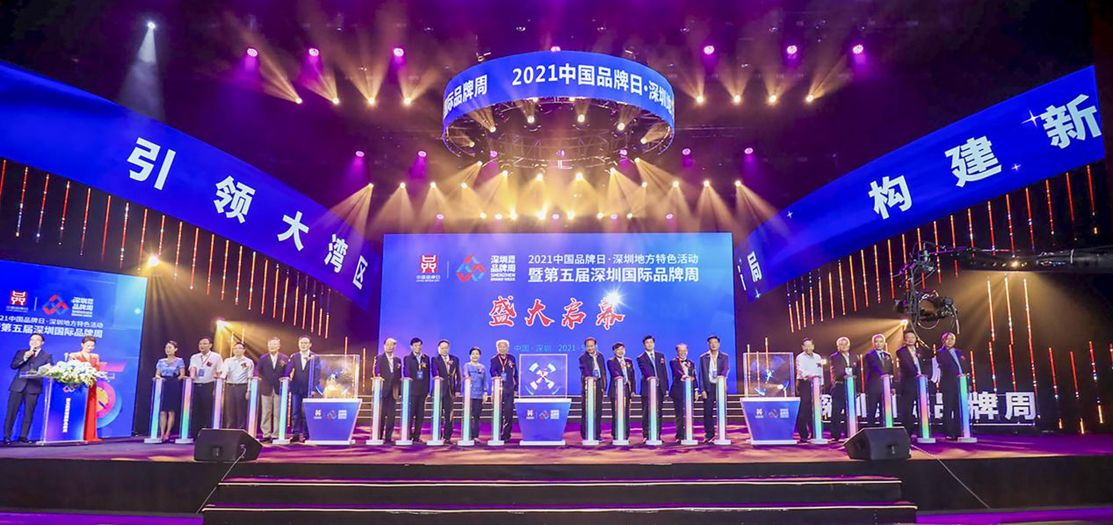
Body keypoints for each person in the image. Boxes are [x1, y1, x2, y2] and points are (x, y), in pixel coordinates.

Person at [4, 333, 53, 444]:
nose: (34, 342)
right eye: (32, 339)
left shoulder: (47, 355)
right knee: (11, 412)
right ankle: (7, 436)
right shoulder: (21, 352)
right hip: (18, 386)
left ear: (42, 343)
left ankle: (23, 436)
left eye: (37, 340)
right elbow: (13, 366)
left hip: (34, 387)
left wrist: (46, 369)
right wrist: (25, 357)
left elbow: (50, 369)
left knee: (28, 413)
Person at [937, 332, 970, 441]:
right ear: (943, 341)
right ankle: (948, 432)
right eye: (948, 339)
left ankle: (958, 432)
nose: (950, 341)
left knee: (958, 408)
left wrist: (966, 378)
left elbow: (965, 366)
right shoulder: (940, 353)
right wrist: (957, 374)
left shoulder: (959, 352)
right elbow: (947, 366)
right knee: (948, 408)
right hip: (949, 384)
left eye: (952, 339)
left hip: (961, 383)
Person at [68, 335, 102, 442]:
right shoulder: (74, 355)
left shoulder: (95, 356)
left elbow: (97, 370)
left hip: (91, 385)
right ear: (82, 344)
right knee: (78, 408)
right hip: (78, 386)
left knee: (90, 408)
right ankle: (75, 434)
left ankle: (89, 435)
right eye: (88, 345)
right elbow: (70, 370)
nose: (90, 348)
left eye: (92, 346)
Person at [636, 335, 669, 441]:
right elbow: (646, 371)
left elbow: (664, 372)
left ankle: (657, 435)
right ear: (644, 345)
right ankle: (646, 435)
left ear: (654, 344)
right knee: (646, 412)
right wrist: (652, 379)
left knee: (658, 412)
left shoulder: (660, 356)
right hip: (648, 389)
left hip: (660, 388)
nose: (649, 344)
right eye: (647, 343)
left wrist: (666, 387)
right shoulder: (641, 358)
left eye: (651, 342)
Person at [188, 337, 222, 438]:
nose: (202, 346)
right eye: (200, 344)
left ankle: (208, 434)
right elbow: (192, 368)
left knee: (208, 410)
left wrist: (217, 376)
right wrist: (191, 376)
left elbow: (220, 370)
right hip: (196, 385)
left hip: (209, 385)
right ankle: (195, 434)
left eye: (204, 344)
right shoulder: (194, 357)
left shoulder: (216, 357)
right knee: (196, 410)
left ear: (210, 345)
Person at [257, 337, 289, 442]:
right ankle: (266, 434)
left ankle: (276, 434)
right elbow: (257, 371)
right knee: (266, 412)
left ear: (279, 346)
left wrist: (285, 379)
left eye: (275, 344)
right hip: (266, 388)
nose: (272, 346)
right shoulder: (263, 358)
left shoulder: (284, 358)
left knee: (278, 412)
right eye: (270, 344)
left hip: (279, 388)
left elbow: (287, 372)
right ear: (268, 345)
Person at [699, 335, 730, 444]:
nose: (713, 344)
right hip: (708, 387)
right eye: (711, 343)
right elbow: (701, 374)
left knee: (721, 411)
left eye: (715, 342)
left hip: (719, 386)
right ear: (708, 344)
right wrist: (702, 390)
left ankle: (722, 434)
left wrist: (722, 380)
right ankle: (709, 434)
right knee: (707, 412)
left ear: (719, 344)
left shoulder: (724, 356)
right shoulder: (703, 357)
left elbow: (725, 369)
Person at [896, 329, 926, 438]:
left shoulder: (920, 350)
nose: (910, 339)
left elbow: (925, 364)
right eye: (908, 337)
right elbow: (907, 365)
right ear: (904, 339)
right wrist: (917, 374)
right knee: (907, 409)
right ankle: (908, 432)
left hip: (921, 383)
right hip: (909, 382)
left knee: (921, 408)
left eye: (912, 337)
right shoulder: (901, 351)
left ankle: (922, 430)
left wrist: (924, 375)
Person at [286, 335, 316, 442]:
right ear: (298, 344)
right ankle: (295, 434)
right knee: (295, 412)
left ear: (310, 345)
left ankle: (307, 434)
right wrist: (286, 378)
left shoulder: (314, 357)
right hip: (296, 388)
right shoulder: (294, 356)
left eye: (305, 343)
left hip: (309, 388)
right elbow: (288, 369)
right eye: (301, 343)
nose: (303, 345)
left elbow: (317, 373)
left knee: (306, 412)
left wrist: (314, 388)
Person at [828, 336, 858, 442]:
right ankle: (835, 434)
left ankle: (849, 432)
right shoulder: (834, 357)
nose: (844, 346)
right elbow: (836, 372)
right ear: (838, 346)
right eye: (841, 344)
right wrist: (845, 375)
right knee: (836, 412)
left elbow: (857, 371)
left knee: (849, 412)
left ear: (849, 345)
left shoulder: (854, 356)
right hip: (839, 386)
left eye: (846, 344)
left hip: (851, 387)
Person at [154, 341, 185, 442]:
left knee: (171, 411)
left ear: (175, 349)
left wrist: (175, 381)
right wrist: (159, 378)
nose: (168, 350)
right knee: (162, 411)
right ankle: (162, 433)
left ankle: (168, 433)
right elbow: (157, 374)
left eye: (170, 348)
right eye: (166, 348)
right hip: (163, 384)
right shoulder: (161, 361)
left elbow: (182, 374)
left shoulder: (179, 361)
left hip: (173, 384)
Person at [219, 341, 254, 430]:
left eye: (239, 348)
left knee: (241, 410)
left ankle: (241, 430)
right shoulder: (228, 360)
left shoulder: (248, 362)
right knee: (229, 410)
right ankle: (229, 429)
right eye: (235, 348)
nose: (237, 350)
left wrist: (249, 390)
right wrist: (221, 377)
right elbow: (224, 372)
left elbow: (250, 377)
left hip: (242, 387)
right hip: (230, 386)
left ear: (244, 350)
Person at [430, 339, 460, 443]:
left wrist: (457, 389)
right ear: (438, 349)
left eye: (446, 348)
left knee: (449, 414)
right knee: (437, 413)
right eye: (442, 348)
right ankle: (436, 435)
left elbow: (458, 375)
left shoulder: (455, 359)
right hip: (439, 390)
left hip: (450, 391)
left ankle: (447, 436)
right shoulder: (435, 359)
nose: (444, 350)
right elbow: (434, 372)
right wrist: (437, 377)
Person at [795, 337, 824, 443]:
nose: (808, 348)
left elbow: (820, 371)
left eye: (810, 345)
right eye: (805, 346)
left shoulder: (817, 357)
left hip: (816, 384)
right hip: (804, 384)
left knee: (814, 409)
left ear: (813, 346)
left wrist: (821, 383)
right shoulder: (800, 357)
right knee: (804, 409)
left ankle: (815, 433)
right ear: (802, 347)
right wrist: (813, 375)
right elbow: (801, 371)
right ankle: (803, 434)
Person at [577, 337, 606, 442]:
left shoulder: (600, 356)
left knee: (598, 410)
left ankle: (597, 434)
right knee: (586, 410)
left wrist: (604, 386)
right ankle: (586, 434)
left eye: (592, 346)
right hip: (588, 386)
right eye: (588, 346)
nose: (590, 348)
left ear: (595, 346)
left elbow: (603, 371)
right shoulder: (583, 358)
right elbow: (585, 371)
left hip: (599, 385)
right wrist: (591, 378)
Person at [402, 337, 431, 443]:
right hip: (412, 391)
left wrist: (427, 390)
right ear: (411, 347)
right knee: (410, 414)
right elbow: (406, 372)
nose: (418, 347)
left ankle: (417, 436)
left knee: (420, 415)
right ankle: (408, 434)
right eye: (415, 345)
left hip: (422, 391)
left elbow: (427, 375)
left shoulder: (426, 358)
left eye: (419, 345)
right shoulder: (407, 358)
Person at [668, 343, 699, 441]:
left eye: (684, 350)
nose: (683, 353)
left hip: (689, 391)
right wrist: (684, 376)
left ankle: (689, 433)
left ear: (687, 351)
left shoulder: (691, 363)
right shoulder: (673, 362)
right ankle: (680, 435)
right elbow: (677, 371)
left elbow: (694, 376)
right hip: (678, 391)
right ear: (677, 352)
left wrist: (696, 390)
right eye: (680, 351)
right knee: (679, 414)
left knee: (689, 413)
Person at [374, 338, 402, 443]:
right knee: (381, 415)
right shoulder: (379, 358)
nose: (390, 347)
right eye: (388, 344)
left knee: (391, 416)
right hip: (383, 391)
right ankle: (379, 435)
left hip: (393, 391)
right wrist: (378, 376)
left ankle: (388, 437)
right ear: (384, 346)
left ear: (395, 347)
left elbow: (399, 376)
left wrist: (399, 391)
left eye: (392, 345)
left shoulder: (398, 360)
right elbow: (376, 370)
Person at [489, 339, 518, 442]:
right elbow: (492, 371)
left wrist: (516, 388)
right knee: (498, 411)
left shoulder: (512, 358)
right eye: (500, 347)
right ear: (497, 348)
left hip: (510, 388)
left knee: (508, 412)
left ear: (507, 348)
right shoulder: (494, 359)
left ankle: (506, 434)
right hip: (499, 388)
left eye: (504, 346)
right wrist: (497, 377)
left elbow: (515, 373)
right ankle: (497, 433)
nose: (502, 348)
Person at [863, 334, 894, 427]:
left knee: (884, 409)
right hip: (873, 386)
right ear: (873, 343)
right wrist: (883, 375)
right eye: (876, 342)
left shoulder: (887, 355)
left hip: (885, 386)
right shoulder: (869, 355)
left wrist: (892, 386)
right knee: (872, 408)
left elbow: (891, 371)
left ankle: (883, 427)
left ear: (884, 343)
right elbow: (874, 367)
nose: (879, 344)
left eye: (881, 341)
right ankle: (871, 428)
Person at [606, 342, 634, 441]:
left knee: (626, 413)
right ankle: (616, 434)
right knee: (616, 413)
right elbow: (614, 373)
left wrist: (633, 390)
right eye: (618, 349)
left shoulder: (629, 361)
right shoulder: (611, 361)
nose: (620, 351)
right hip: (616, 390)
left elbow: (632, 376)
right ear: (614, 351)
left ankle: (626, 435)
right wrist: (620, 378)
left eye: (622, 349)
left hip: (626, 390)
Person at [462, 347, 488, 442]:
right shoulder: (467, 366)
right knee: (468, 415)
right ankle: (467, 435)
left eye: (477, 354)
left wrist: (485, 393)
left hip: (479, 395)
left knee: (476, 416)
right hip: (469, 395)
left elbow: (485, 381)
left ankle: (475, 436)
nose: (475, 355)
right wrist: (467, 377)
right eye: (473, 354)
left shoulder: (482, 367)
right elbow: (465, 375)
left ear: (479, 355)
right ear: (470, 355)